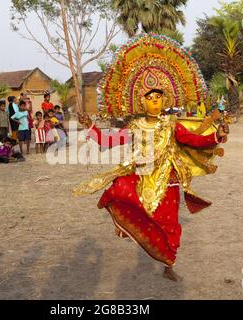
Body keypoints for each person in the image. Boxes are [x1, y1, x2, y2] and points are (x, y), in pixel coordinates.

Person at [74, 35, 230, 283]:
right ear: (140, 101)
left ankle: (169, 263)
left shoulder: (171, 124)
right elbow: (108, 141)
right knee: (120, 189)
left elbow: (194, 140)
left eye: (158, 98)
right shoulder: (134, 125)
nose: (154, 102)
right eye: (149, 98)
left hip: (168, 180)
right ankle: (126, 223)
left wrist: (217, 137)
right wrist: (91, 127)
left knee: (170, 225)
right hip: (142, 176)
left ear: (165, 99)